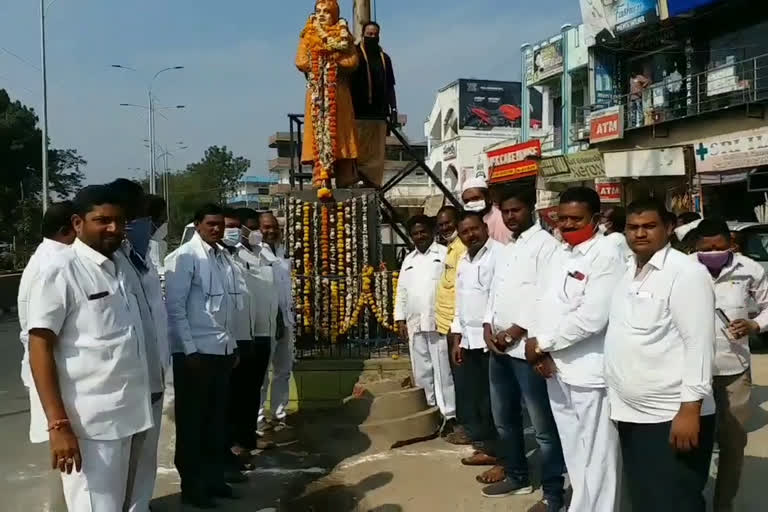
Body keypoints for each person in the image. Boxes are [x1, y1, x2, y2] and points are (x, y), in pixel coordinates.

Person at [27, 185, 152, 512]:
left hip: (127, 416)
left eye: (119, 221)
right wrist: (58, 425)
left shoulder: (119, 268)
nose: (113, 228)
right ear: (78, 223)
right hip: (89, 425)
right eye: (102, 220)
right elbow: (39, 346)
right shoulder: (60, 270)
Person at [605, 199, 716, 512]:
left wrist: (690, 409)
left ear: (668, 228)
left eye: (649, 226)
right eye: (633, 227)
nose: (640, 233)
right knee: (645, 498)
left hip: (670, 415)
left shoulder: (686, 273)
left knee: (675, 500)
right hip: (630, 413)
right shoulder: (629, 271)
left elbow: (699, 344)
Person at [525, 186, 624, 512]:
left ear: (595, 219)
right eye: (562, 218)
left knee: (598, 452)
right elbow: (543, 303)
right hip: (556, 368)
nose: (566, 225)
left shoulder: (606, 255)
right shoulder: (560, 252)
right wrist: (541, 350)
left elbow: (593, 317)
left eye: (575, 219)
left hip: (589, 370)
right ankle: (583, 505)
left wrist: (543, 343)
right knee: (574, 447)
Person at [481, 188, 566, 511]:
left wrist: (516, 331)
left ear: (530, 209)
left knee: (543, 427)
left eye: (516, 210)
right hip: (499, 349)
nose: (510, 216)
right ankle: (517, 475)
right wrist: (489, 325)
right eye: (505, 212)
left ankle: (553, 493)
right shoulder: (507, 248)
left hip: (525, 350)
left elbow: (544, 296)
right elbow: (496, 291)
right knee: (504, 418)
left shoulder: (546, 247)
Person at [165, 203, 245, 508]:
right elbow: (176, 308)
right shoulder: (186, 257)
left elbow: (227, 308)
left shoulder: (222, 257)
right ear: (197, 224)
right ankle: (193, 487)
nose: (217, 229)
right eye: (210, 224)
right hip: (196, 354)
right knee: (192, 425)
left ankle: (214, 480)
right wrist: (189, 349)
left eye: (220, 225)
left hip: (221, 351)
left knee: (215, 422)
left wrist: (232, 345)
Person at [693, 219, 766, 511]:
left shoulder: (750, 269)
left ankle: (724, 504)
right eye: (705, 249)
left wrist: (754, 324)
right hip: (691, 372)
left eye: (718, 247)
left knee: (733, 443)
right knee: (692, 442)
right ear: (695, 246)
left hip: (733, 371)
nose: (712, 253)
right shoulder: (683, 269)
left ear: (730, 243)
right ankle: (691, 499)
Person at [109, 180, 172, 512]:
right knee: (115, 466)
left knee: (145, 453)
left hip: (153, 371)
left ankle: (139, 506)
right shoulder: (111, 261)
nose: (145, 226)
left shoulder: (142, 258)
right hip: (121, 383)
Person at [17, 201, 75, 512]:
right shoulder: (56, 264)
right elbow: (40, 338)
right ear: (70, 229)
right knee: (66, 460)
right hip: (50, 377)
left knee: (66, 465)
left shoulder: (51, 258)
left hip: (51, 375)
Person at [448, 211, 502, 471]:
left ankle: (504, 456)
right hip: (469, 341)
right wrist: (457, 339)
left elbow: (498, 297)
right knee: (478, 399)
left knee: (497, 401)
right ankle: (488, 448)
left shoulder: (499, 255)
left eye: (474, 229)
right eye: (465, 232)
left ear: (484, 227)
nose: (471, 235)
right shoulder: (463, 260)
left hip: (492, 341)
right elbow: (460, 303)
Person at [394, 215, 456, 425]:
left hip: (437, 321)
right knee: (421, 371)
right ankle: (430, 413)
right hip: (414, 323)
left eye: (423, 232)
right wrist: (400, 319)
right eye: (415, 233)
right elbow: (401, 291)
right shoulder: (408, 260)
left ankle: (449, 415)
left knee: (442, 371)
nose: (420, 236)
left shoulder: (444, 254)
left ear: (432, 232)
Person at [296, 0, 360, 188]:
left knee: (341, 134)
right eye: (318, 11)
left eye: (326, 11)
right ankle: (320, 176)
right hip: (316, 92)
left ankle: (344, 174)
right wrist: (318, 60)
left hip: (338, 92)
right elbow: (300, 61)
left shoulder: (344, 36)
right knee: (317, 134)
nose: (322, 14)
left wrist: (332, 61)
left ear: (335, 15)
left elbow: (352, 61)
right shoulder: (308, 35)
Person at [433, 206, 473, 442]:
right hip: (447, 323)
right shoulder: (452, 248)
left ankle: (468, 428)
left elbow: (461, 289)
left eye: (449, 223)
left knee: (464, 379)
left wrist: (456, 329)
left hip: (457, 325)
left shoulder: (461, 249)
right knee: (454, 377)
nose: (445, 227)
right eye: (442, 224)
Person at [256, 212, 296, 438]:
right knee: (262, 374)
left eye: (274, 227)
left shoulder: (282, 254)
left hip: (286, 321)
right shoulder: (254, 255)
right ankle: (259, 417)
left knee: (283, 371)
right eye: (266, 227)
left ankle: (280, 414)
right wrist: (277, 318)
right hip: (266, 323)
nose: (270, 231)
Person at [349, 20, 398, 187]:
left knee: (377, 154)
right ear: (362, 35)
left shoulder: (385, 58)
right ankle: (356, 179)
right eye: (369, 34)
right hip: (358, 112)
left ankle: (373, 184)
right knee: (359, 151)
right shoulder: (354, 55)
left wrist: (394, 109)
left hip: (379, 114)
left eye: (375, 34)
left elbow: (391, 86)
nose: (372, 37)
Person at [461, 177, 512, 244]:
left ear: (488, 198)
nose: (471, 203)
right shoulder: (474, 220)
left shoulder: (500, 220)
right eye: (467, 201)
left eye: (476, 198)